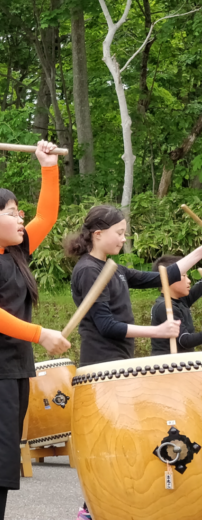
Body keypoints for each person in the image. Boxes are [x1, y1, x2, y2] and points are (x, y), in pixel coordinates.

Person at [64, 206, 202, 520]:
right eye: (119, 233)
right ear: (98, 234)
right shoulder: (88, 270)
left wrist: (198, 252)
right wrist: (157, 330)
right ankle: (92, 508)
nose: (123, 239)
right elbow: (106, 326)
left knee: (127, 439)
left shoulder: (114, 269)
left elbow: (164, 276)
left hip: (118, 363)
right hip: (100, 366)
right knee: (112, 442)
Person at [0, 141, 70, 520]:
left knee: (3, 460)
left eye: (19, 210)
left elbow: (47, 216)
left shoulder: (16, 253)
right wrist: (40, 334)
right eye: (10, 212)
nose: (20, 217)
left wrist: (48, 167)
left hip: (14, 369)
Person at [151, 255, 202, 355]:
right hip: (168, 365)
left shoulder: (181, 300)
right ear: (170, 278)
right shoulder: (165, 307)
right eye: (184, 276)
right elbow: (184, 340)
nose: (189, 280)